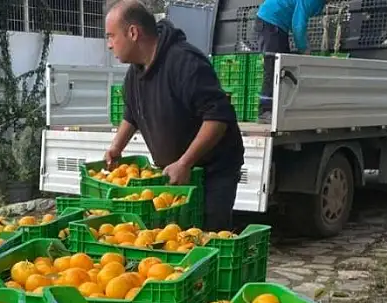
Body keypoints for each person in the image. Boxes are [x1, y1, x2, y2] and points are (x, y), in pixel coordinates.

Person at [103, 0, 245, 232]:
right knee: (176, 241)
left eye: (111, 36)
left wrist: (185, 162)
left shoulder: (185, 62)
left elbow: (218, 118)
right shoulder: (134, 74)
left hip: (211, 173)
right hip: (175, 173)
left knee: (209, 238)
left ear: (133, 32)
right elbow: (132, 113)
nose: (109, 45)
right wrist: (116, 148)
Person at [255, 0, 328, 118]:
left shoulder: (320, 3)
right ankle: (265, 110)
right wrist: (304, 49)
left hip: (277, 25)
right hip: (270, 21)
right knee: (274, 67)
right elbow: (298, 25)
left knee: (284, 68)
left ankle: (279, 109)